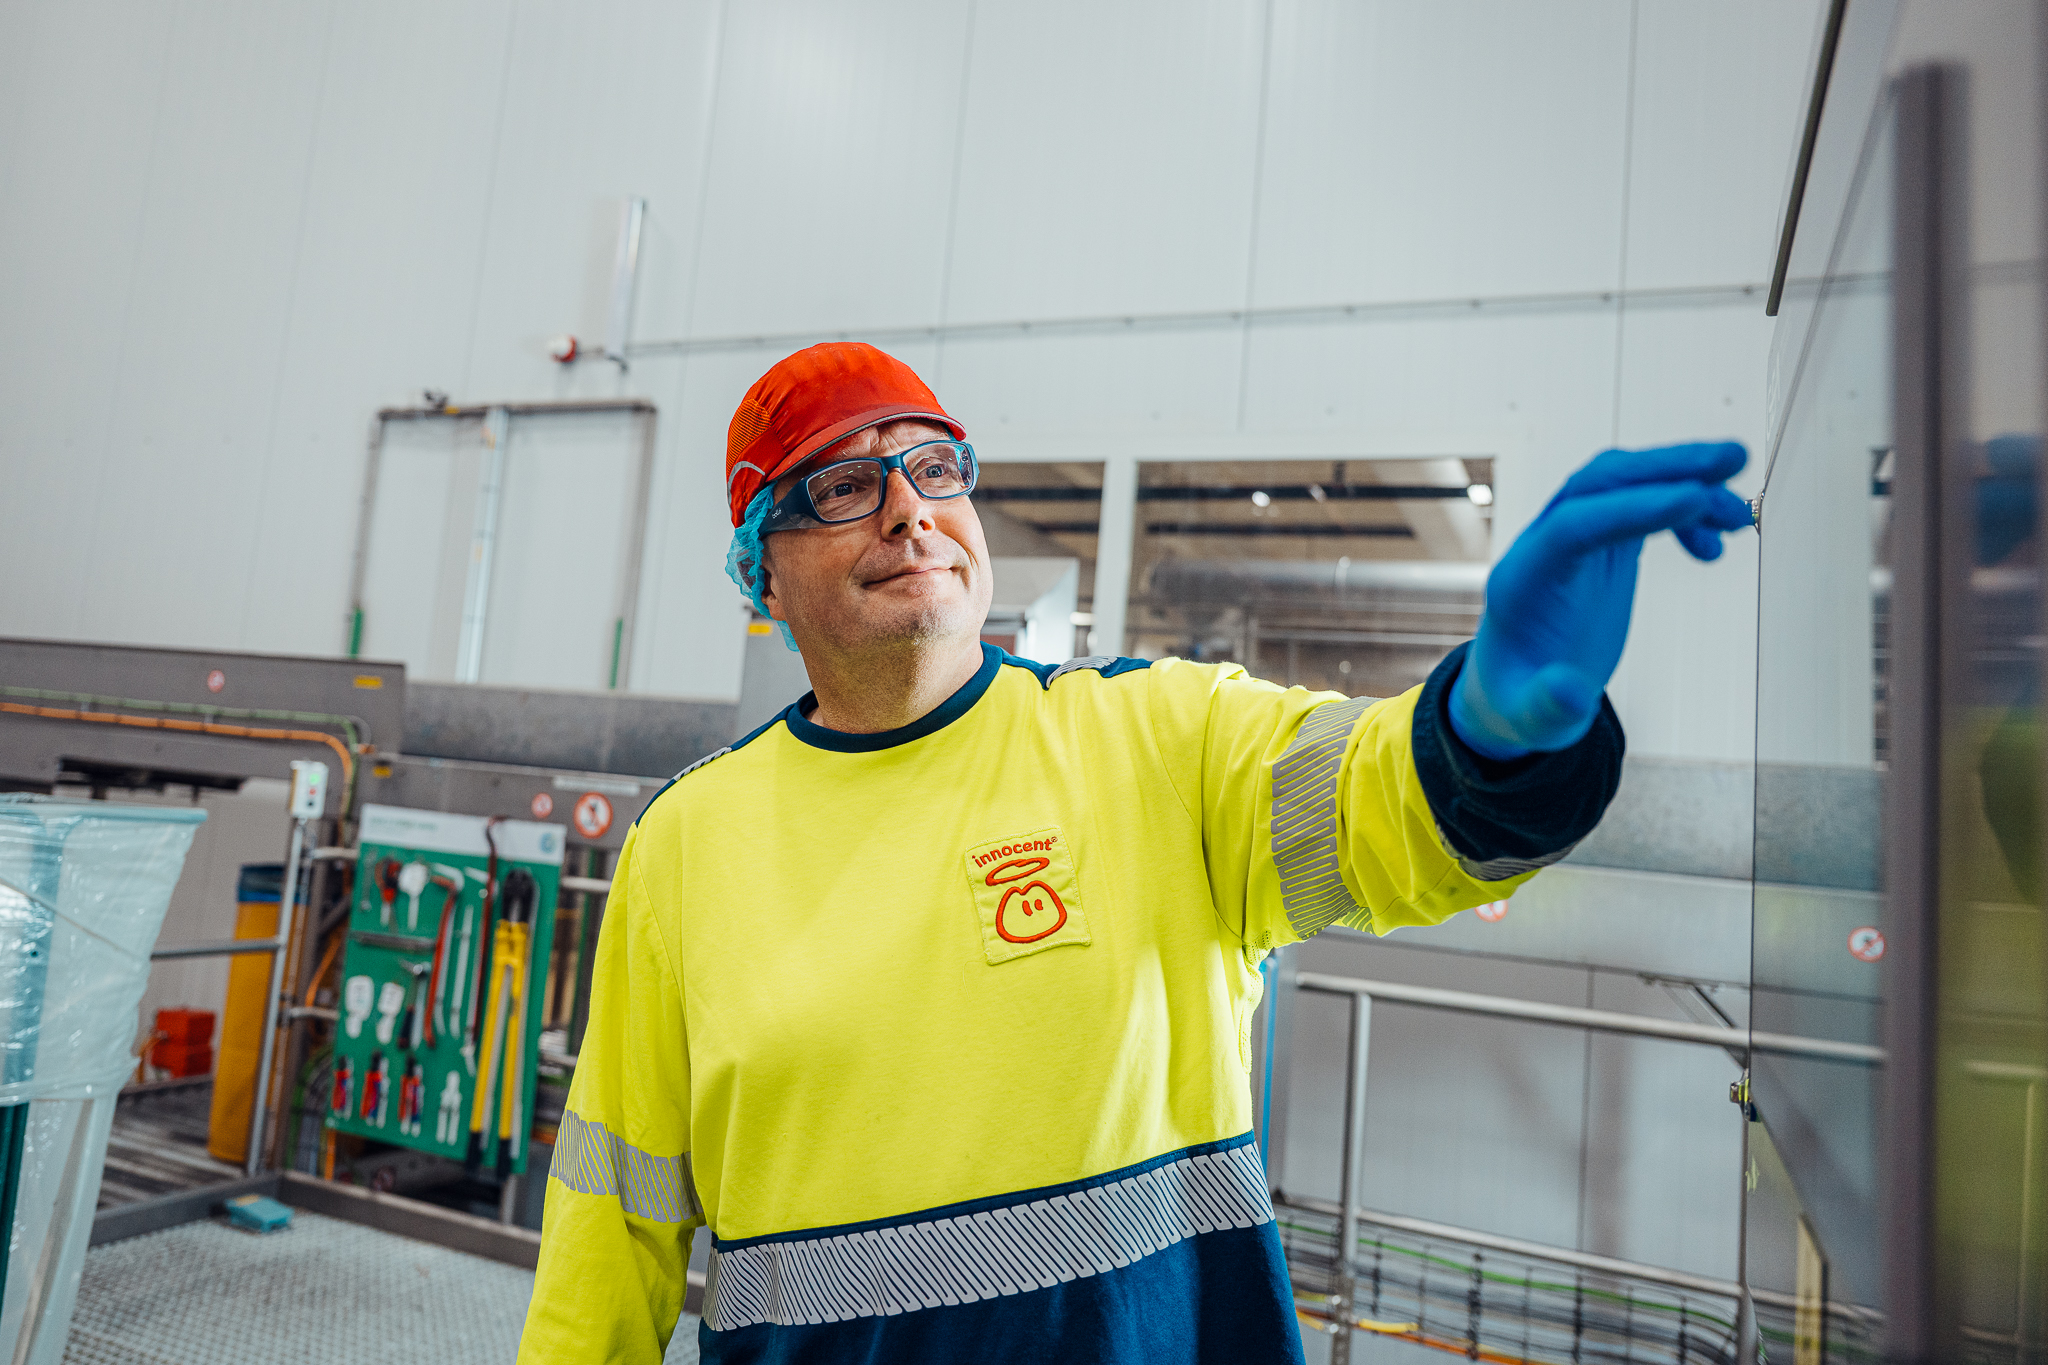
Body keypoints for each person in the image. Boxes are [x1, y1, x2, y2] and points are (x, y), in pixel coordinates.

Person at [517, 342, 1752, 1364]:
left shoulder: (1150, 738)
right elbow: (609, 1221)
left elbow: (1388, 815)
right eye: (842, 487)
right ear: (760, 574)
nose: (908, 511)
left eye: (931, 467)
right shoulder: (690, 842)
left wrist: (1488, 729)